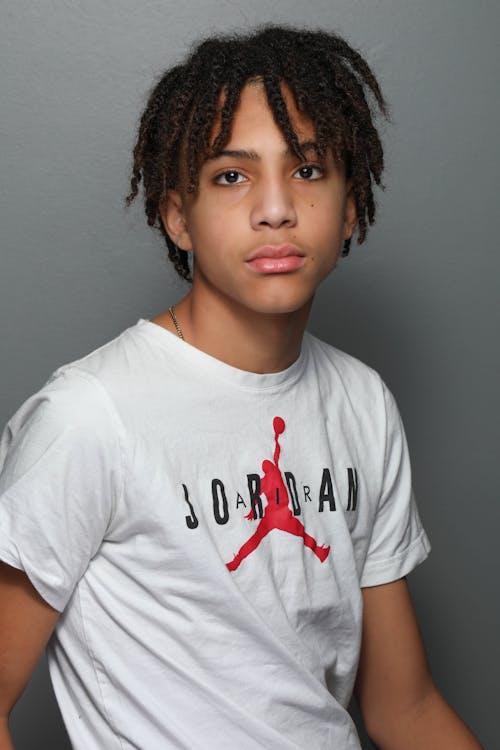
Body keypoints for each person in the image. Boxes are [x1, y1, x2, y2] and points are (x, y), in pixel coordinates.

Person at [0, 23, 483, 750]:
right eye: (232, 175)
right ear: (177, 217)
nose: (276, 208)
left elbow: (404, 708)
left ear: (351, 206)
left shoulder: (362, 402)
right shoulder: (90, 416)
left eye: (309, 170)